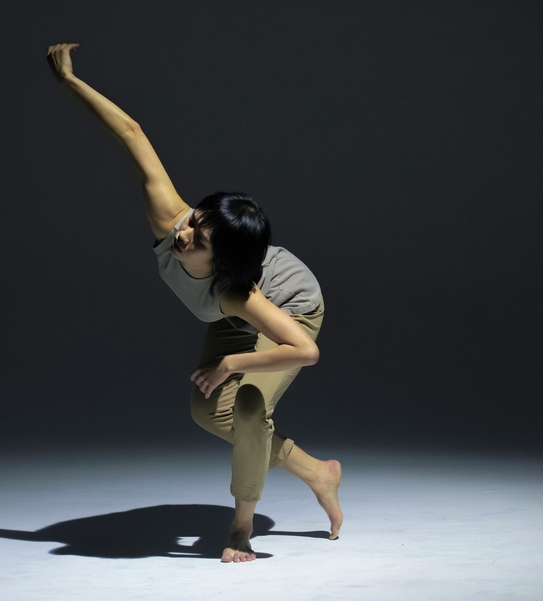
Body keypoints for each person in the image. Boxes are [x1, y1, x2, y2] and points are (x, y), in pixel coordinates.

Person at [46, 43, 342, 563]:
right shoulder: (173, 221)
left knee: (248, 408)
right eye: (195, 220)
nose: (184, 235)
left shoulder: (236, 292)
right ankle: (318, 472)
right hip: (236, 313)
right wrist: (69, 80)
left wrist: (232, 363)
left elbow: (305, 350)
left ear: (221, 261)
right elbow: (132, 133)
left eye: (199, 239)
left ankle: (241, 529)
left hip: (290, 309)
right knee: (208, 412)